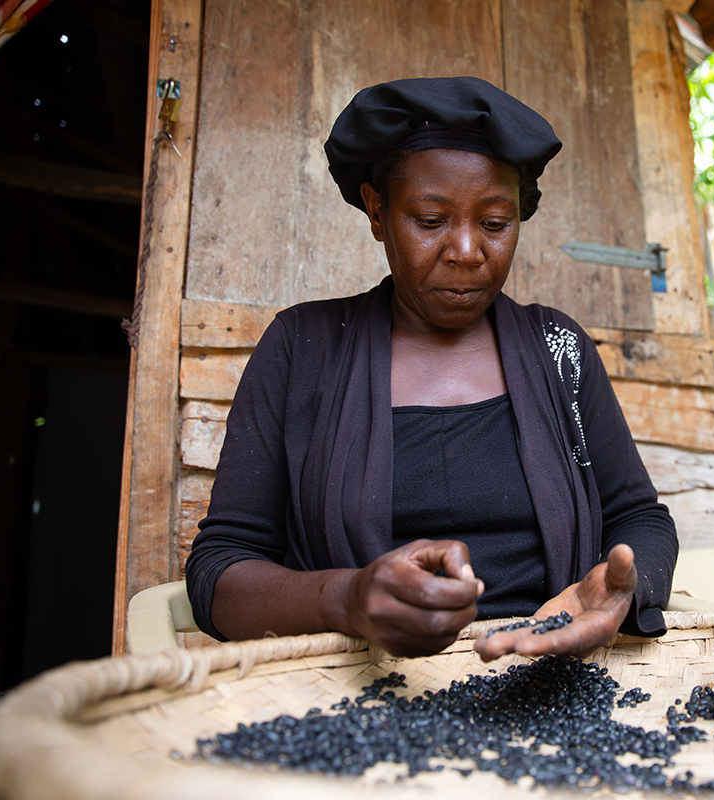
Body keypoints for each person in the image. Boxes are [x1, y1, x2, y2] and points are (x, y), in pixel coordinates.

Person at [185, 76, 678, 662]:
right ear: (377, 211)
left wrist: (621, 588)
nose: (467, 250)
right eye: (429, 219)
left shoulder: (559, 348)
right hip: (356, 693)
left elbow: (640, 519)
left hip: (550, 676)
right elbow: (219, 573)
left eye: (495, 223)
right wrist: (347, 597)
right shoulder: (303, 347)